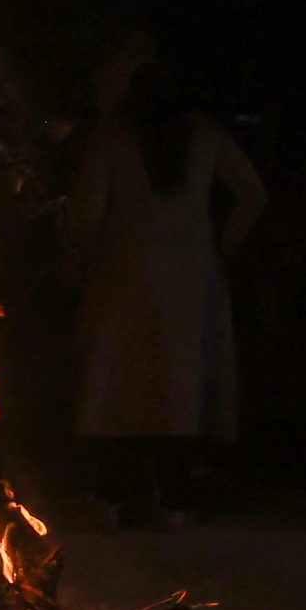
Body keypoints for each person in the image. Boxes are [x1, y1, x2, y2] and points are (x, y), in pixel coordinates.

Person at [66, 60, 268, 528]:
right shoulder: (207, 137)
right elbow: (254, 192)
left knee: (116, 385)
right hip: (192, 277)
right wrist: (224, 243)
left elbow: (86, 214)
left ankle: (114, 498)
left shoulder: (113, 139)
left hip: (125, 273)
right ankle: (175, 500)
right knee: (180, 385)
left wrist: (76, 242)